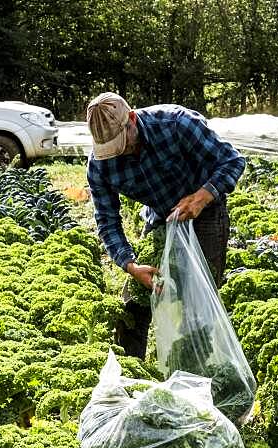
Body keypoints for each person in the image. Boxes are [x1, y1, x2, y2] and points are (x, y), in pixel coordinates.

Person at [85, 92, 246, 358]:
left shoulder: (176, 124)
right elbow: (107, 219)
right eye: (110, 148)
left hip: (205, 212)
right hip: (160, 219)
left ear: (132, 120)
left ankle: (196, 371)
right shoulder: (100, 166)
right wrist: (130, 265)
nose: (118, 152)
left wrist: (202, 197)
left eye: (120, 143)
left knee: (198, 301)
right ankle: (128, 374)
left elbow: (232, 161)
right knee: (133, 305)